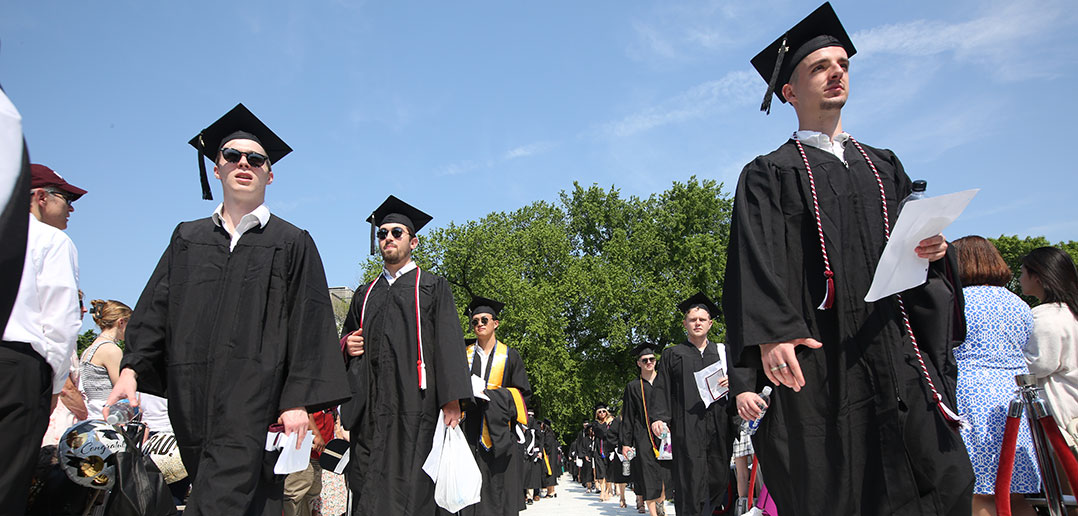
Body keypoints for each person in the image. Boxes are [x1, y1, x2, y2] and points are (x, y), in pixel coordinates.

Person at [724, 4, 975, 515]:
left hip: (892, 348)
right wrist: (771, 335)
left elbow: (914, 256)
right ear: (788, 91)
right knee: (833, 484)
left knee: (940, 475)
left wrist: (934, 250)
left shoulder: (883, 165)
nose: (836, 72)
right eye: (819, 66)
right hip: (820, 357)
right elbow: (753, 263)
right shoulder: (769, 175)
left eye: (842, 63)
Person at [106, 104, 351, 516]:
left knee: (226, 497)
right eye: (232, 156)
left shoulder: (292, 242)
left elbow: (309, 326)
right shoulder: (188, 238)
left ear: (269, 175)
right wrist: (129, 373)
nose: (243, 164)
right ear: (216, 168)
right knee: (230, 493)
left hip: (257, 401)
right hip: (190, 400)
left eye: (255, 159)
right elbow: (155, 311)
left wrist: (297, 402)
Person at [339, 195, 472, 515]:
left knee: (414, 485)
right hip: (370, 409)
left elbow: (449, 343)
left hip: (417, 407)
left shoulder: (432, 287)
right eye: (382, 233)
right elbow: (345, 337)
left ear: (413, 241)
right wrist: (346, 345)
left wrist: (452, 400)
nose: (387, 238)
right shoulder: (365, 293)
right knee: (367, 480)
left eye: (396, 233)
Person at [1, 163, 84, 515]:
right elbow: (60, 320)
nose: (71, 208)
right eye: (65, 198)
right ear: (38, 197)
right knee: (9, 477)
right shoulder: (51, 240)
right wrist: (52, 388)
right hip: (19, 366)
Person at [949, 236, 1040, 516]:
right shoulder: (1019, 305)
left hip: (970, 395)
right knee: (1017, 494)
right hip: (1015, 399)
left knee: (980, 494)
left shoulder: (957, 301)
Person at [649, 292, 735, 516]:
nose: (697, 323)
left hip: (718, 425)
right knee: (689, 482)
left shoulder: (723, 353)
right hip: (686, 428)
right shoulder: (673, 354)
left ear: (711, 323)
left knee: (718, 478)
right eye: (692, 319)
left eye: (702, 319)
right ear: (684, 323)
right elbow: (662, 388)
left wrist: (732, 383)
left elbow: (740, 387)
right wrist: (659, 418)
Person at [460, 296, 532, 516]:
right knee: (470, 492)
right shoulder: (463, 355)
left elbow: (522, 395)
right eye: (474, 321)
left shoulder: (510, 356)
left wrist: (491, 395)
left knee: (501, 492)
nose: (479, 324)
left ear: (495, 323)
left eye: (484, 319)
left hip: (501, 434)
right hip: (469, 433)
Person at [1021, 248, 1078, 454]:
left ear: (1037, 276)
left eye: (1022, 272)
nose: (1019, 279)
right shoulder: (1071, 311)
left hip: (1060, 412)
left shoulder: (1046, 317)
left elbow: (1037, 365)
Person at [620, 342, 667, 516]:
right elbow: (628, 417)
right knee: (648, 474)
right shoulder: (633, 387)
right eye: (645, 360)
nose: (649, 362)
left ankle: (661, 503)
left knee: (664, 473)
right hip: (643, 435)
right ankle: (654, 512)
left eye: (652, 359)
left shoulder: (664, 381)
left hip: (665, 435)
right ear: (638, 363)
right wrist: (626, 443)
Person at [79, 299, 130, 420]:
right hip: (109, 415)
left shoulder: (89, 349)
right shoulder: (111, 350)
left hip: (92, 413)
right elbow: (122, 389)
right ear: (121, 322)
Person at [283, 408, 334, 516]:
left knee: (311, 494)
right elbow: (306, 408)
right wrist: (316, 434)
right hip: (304, 448)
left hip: (319, 451)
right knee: (295, 493)